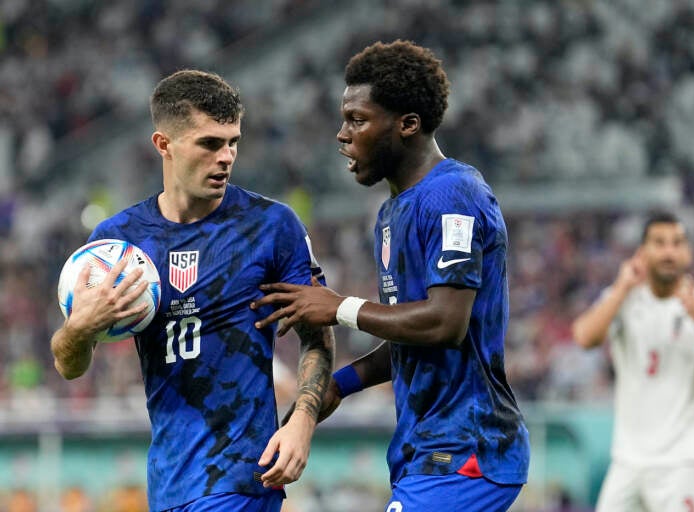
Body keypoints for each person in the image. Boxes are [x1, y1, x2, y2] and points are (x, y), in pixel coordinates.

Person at [251, 40, 529, 512]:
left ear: (408, 125)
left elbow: (445, 323)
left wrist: (340, 308)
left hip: (468, 450)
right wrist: (341, 384)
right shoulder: (391, 213)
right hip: (427, 451)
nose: (342, 134)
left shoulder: (452, 195)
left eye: (358, 120)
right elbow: (412, 333)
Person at [50, 70, 334, 512]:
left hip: (241, 477)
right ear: (163, 145)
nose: (226, 157)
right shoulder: (118, 243)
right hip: (169, 482)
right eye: (210, 144)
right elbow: (69, 365)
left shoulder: (272, 227)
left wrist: (302, 419)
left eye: (233, 142)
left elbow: (318, 333)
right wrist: (80, 329)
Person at [571, 211, 694, 512]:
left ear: (688, 252)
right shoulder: (623, 299)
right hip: (628, 459)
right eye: (660, 243)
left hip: (685, 461)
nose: (669, 251)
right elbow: (584, 337)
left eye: (677, 243)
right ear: (642, 251)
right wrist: (622, 287)